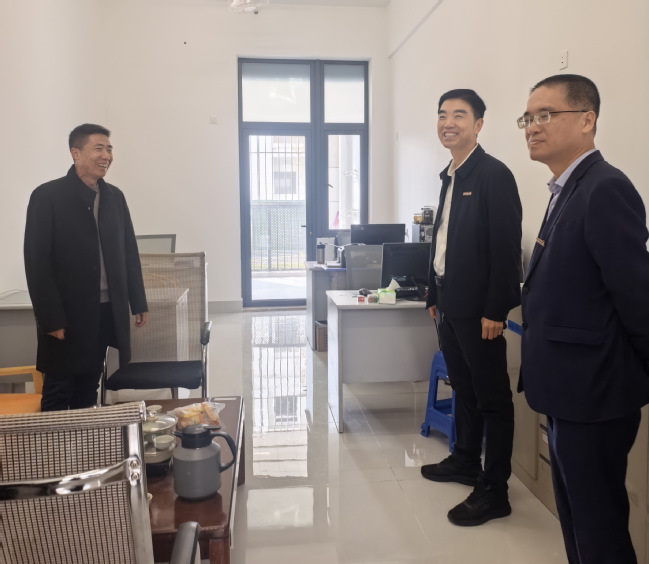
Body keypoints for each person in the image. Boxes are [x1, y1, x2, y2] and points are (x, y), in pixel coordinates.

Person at [518, 74, 649, 564]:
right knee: (576, 518)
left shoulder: (605, 188)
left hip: (595, 393)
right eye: (527, 118)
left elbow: (637, 296)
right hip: (567, 389)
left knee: (599, 528)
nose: (533, 127)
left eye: (546, 115)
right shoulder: (565, 188)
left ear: (587, 119)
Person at [421, 89, 522, 526]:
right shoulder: (450, 175)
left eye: (459, 115)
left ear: (478, 125)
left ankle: (495, 489)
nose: (449, 123)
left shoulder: (493, 175)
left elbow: (506, 250)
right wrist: (433, 293)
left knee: (492, 398)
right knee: (463, 386)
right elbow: (442, 241)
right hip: (448, 303)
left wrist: (496, 310)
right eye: (443, 115)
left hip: (480, 310)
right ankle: (464, 459)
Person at [24, 124, 148, 412]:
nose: (106, 155)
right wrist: (51, 319)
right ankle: (54, 443)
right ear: (75, 153)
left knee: (89, 386)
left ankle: (84, 441)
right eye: (99, 148)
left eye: (109, 149)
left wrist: (137, 300)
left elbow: (128, 251)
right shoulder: (48, 196)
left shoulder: (115, 197)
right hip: (67, 315)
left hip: (105, 310)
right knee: (58, 389)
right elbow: (37, 262)